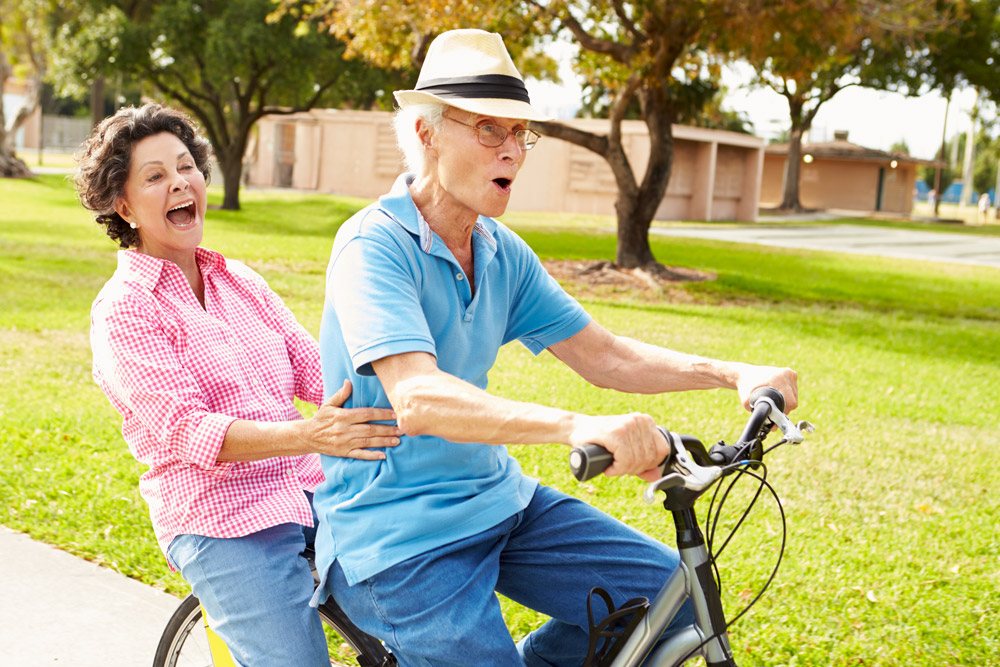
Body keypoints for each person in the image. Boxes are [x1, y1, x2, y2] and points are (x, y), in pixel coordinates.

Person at [312, 29, 799, 667]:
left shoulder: (498, 249)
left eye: (520, 133)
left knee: (672, 599)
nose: (512, 149)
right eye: (490, 129)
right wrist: (578, 426)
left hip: (496, 500)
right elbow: (418, 398)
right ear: (427, 134)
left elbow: (604, 355)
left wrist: (732, 373)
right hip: (398, 534)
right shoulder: (373, 247)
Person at [76, 103, 402, 667]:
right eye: (155, 176)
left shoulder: (239, 280)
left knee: (426, 602)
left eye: (186, 167)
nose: (179, 182)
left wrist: (404, 389)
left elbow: (318, 370)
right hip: (220, 520)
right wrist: (309, 435)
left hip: (310, 493)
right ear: (123, 205)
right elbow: (186, 430)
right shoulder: (124, 310)